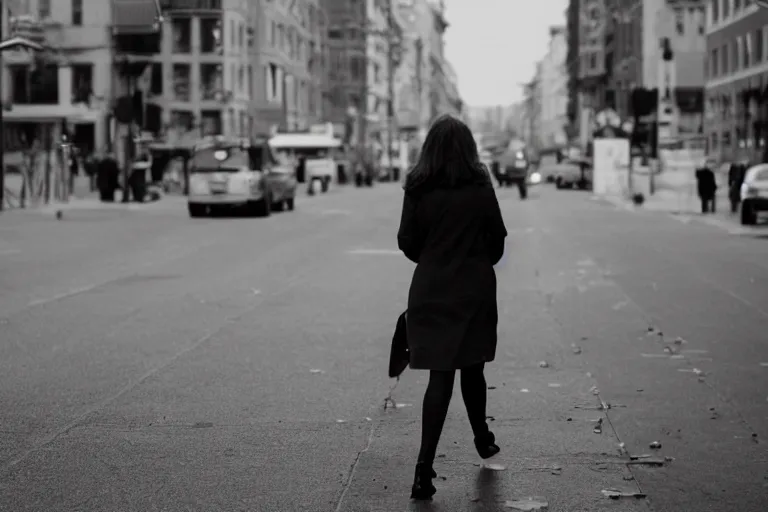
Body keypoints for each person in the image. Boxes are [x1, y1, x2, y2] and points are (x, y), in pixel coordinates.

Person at [397, 115, 508, 501]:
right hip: (473, 287)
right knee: (473, 366)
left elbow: (406, 241)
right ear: (468, 148)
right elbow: (497, 240)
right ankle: (482, 437)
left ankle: (423, 472)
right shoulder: (479, 184)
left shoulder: (417, 185)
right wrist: (475, 260)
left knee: (440, 378)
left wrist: (433, 260)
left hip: (431, 287)